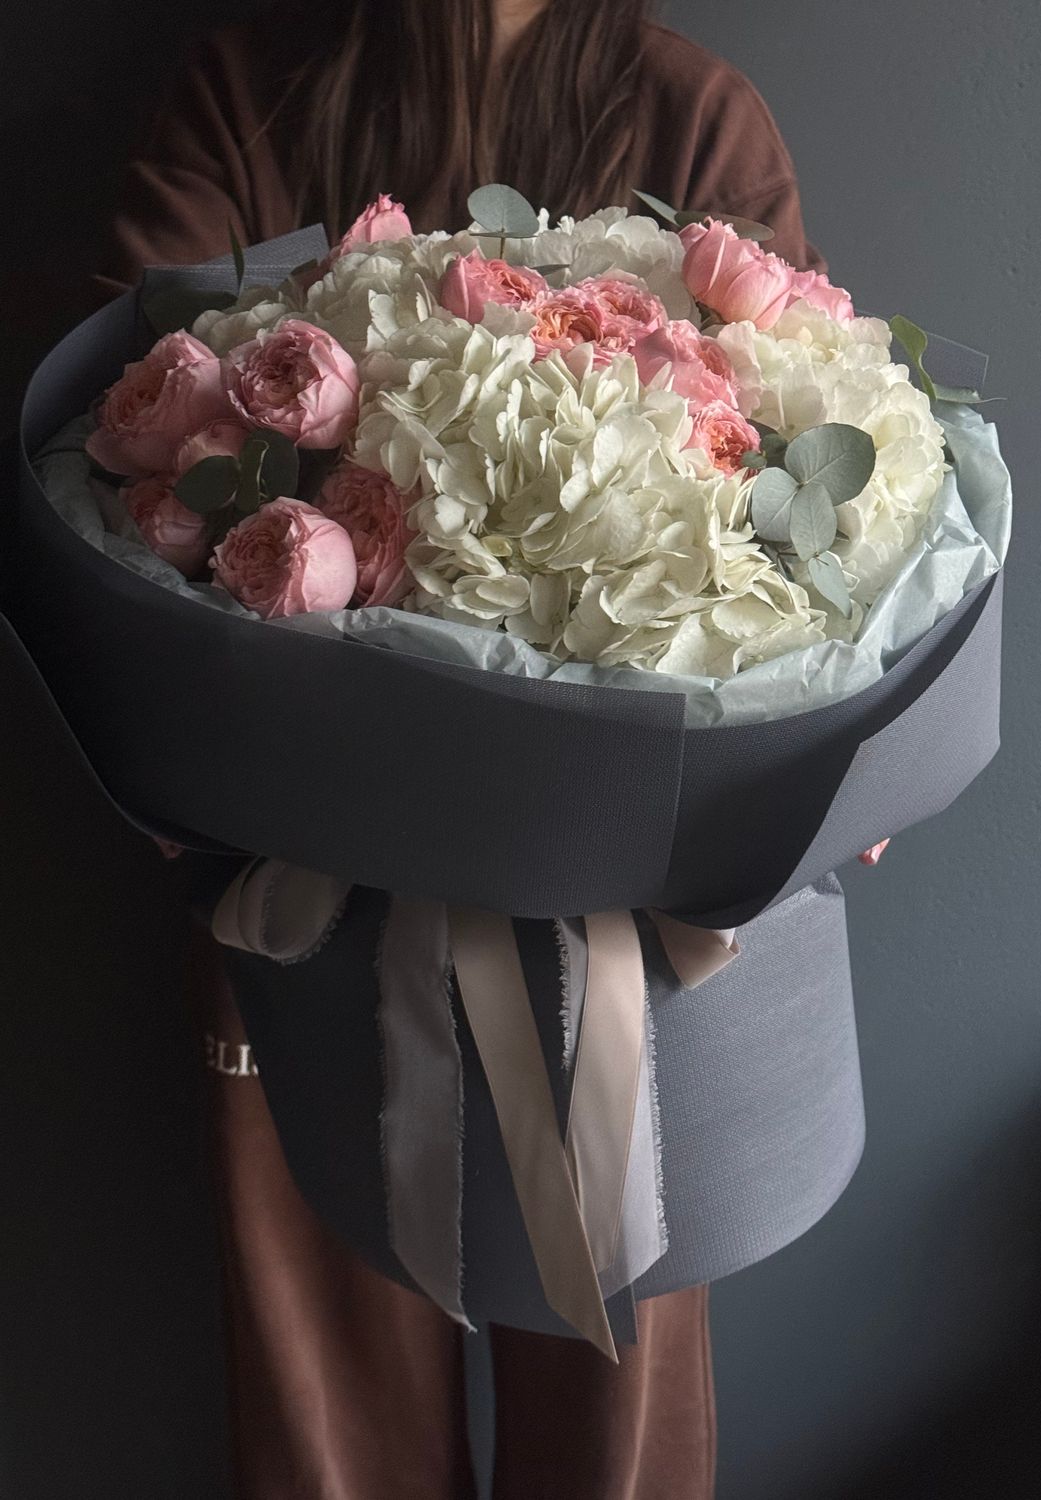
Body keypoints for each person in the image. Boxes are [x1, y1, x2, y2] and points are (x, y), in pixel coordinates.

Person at [95, 3, 826, 1496]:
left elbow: (788, 491)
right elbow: (115, 420)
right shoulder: (250, 84)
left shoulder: (691, 116)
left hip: (608, 913)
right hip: (294, 872)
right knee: (323, 1430)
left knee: (612, 1404)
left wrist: (817, 763)